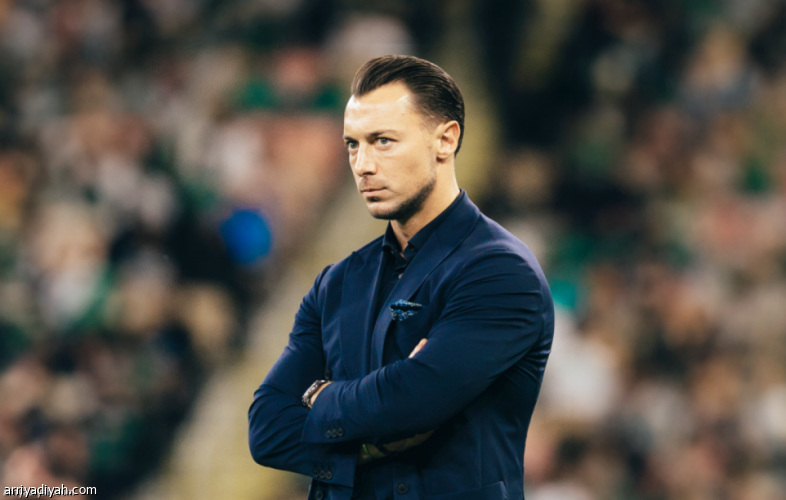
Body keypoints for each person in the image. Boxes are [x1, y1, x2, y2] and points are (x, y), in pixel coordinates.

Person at [248, 55, 554, 500]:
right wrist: (365, 447)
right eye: (353, 145)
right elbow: (267, 429)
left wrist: (321, 397)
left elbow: (415, 399)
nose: (362, 164)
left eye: (383, 141)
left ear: (445, 140)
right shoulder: (336, 282)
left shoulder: (502, 272)